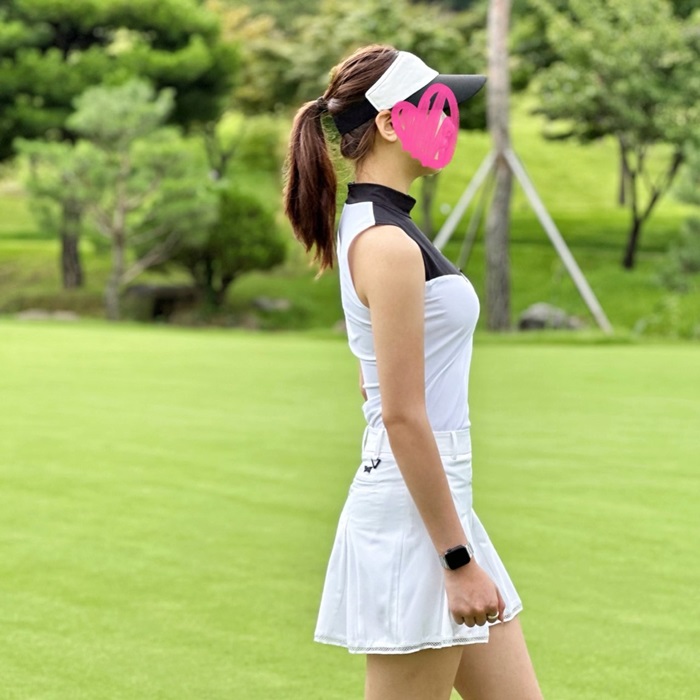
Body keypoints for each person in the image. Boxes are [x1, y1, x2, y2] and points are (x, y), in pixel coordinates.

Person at [283, 44, 544, 700]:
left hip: (435, 496)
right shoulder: (386, 242)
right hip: (416, 512)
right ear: (391, 122)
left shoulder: (385, 227)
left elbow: (372, 381)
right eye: (435, 106)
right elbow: (400, 413)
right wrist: (455, 560)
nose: (449, 120)